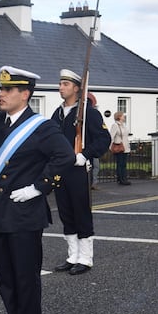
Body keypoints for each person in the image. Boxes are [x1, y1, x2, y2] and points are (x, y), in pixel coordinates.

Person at [0, 66, 75, 314]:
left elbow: (65, 157)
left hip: (24, 215)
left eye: (7, 90)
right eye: (1, 89)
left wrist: (38, 188)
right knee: (6, 279)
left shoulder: (42, 127)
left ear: (24, 94)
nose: (1, 94)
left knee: (25, 279)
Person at [50, 69, 111, 276]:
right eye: (60, 84)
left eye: (65, 84)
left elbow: (104, 139)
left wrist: (85, 155)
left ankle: (85, 258)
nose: (61, 87)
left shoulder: (89, 113)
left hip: (78, 171)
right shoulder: (57, 113)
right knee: (66, 213)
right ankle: (72, 256)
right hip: (61, 171)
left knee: (81, 213)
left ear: (77, 88)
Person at [110, 111, 132, 185]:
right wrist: (111, 147)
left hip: (125, 147)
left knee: (124, 164)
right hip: (119, 147)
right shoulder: (115, 125)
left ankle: (123, 178)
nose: (124, 117)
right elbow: (111, 136)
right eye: (123, 116)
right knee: (120, 164)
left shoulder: (123, 125)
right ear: (119, 117)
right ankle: (121, 179)